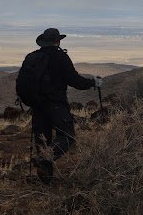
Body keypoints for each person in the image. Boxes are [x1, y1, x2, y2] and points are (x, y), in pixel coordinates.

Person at [25, 28, 102, 185]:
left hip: (37, 105)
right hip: (56, 104)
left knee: (43, 140)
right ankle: (44, 159)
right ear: (58, 41)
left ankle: (45, 181)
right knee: (67, 136)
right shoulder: (60, 57)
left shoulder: (32, 57)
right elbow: (75, 81)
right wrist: (92, 82)